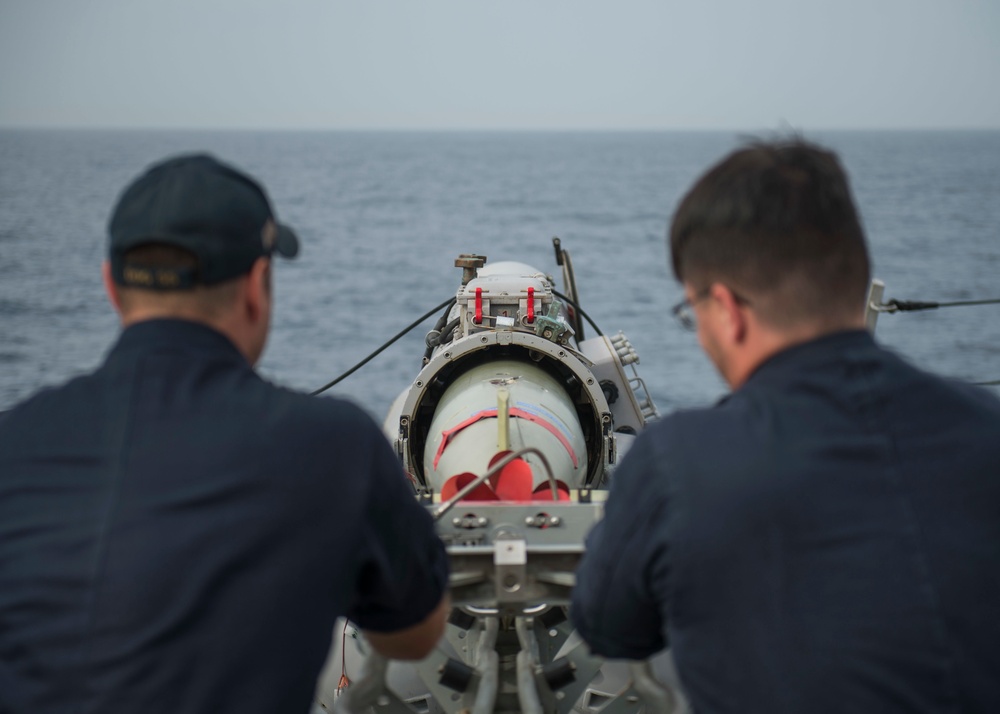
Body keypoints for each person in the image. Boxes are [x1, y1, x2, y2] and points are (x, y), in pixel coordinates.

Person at [0, 154, 450, 714]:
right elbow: (414, 633)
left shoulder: (13, 440)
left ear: (111, 286)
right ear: (257, 286)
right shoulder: (334, 447)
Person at [571, 139, 1000, 713]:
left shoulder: (677, 464)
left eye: (691, 311)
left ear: (727, 309)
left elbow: (609, 628)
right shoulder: (986, 429)